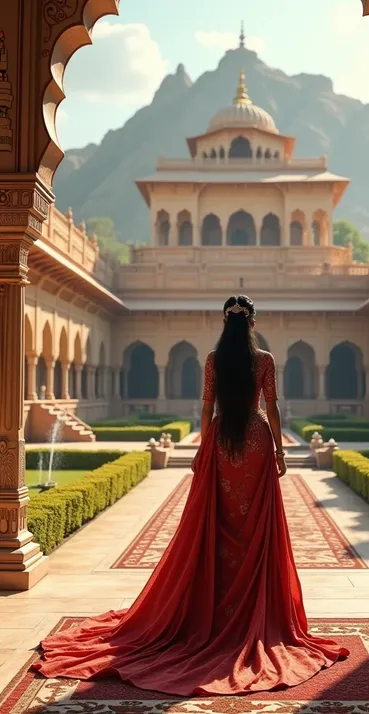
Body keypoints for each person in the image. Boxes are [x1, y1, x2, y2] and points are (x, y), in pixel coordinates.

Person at [33, 295, 349, 695]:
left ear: (224, 323)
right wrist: (280, 451)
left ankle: (211, 610)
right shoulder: (265, 360)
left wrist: (203, 447)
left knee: (215, 523)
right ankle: (251, 611)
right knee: (254, 527)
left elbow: (205, 408)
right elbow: (271, 408)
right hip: (254, 442)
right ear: (252, 324)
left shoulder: (214, 359)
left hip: (222, 442)